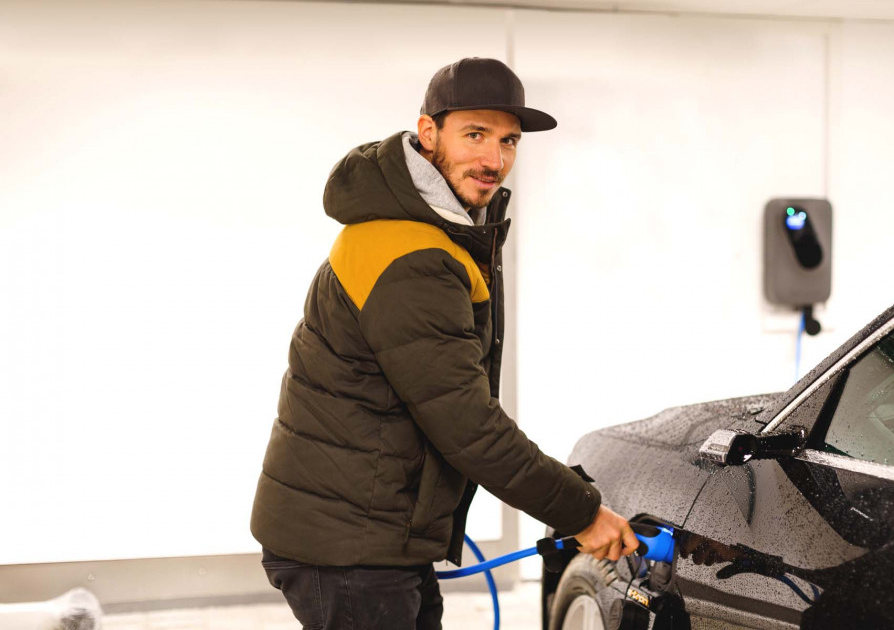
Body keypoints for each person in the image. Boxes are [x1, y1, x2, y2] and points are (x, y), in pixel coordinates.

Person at [250, 57, 638, 630]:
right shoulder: (412, 255)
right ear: (428, 133)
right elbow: (466, 423)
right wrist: (580, 511)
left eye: (508, 141)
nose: (494, 160)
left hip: (366, 536)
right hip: (350, 547)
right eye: (475, 135)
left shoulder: (423, 231)